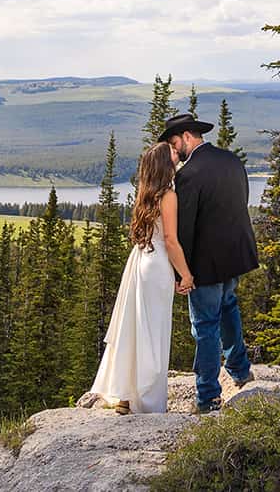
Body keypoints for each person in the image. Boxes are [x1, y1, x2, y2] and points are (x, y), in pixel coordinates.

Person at [159, 111, 259, 413]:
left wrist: (182, 273)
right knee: (229, 307)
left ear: (187, 136)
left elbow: (184, 230)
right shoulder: (232, 160)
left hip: (205, 264)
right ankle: (241, 370)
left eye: (176, 143)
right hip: (235, 254)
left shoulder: (188, 176)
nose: (176, 151)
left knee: (204, 326)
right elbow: (240, 202)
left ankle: (207, 396)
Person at [88, 142, 195, 414]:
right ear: (164, 163)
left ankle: (125, 396)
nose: (176, 153)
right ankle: (148, 401)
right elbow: (170, 240)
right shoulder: (168, 196)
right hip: (157, 264)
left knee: (133, 330)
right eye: (172, 152)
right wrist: (186, 275)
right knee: (154, 334)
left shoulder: (145, 194)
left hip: (139, 261)